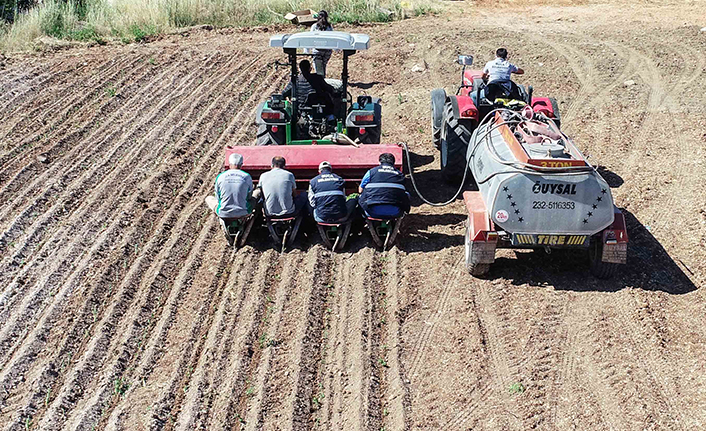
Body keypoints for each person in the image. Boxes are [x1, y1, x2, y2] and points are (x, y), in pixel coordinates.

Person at [205, 153, 255, 237]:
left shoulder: (220, 177)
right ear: (241, 165)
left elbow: (218, 197)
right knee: (255, 198)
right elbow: (249, 196)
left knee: (209, 198)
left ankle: (221, 219)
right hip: (243, 212)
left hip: (223, 212)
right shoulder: (247, 176)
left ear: (229, 164)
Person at [358, 153, 410, 218]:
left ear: (380, 162)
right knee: (407, 194)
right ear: (393, 163)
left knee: (361, 197)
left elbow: (360, 190)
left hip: (372, 212)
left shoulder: (371, 172)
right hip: (395, 212)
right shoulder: (400, 174)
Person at [310, 10, 333, 76]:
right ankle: (323, 81)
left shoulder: (315, 26)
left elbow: (310, 38)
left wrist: (306, 50)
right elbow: (332, 38)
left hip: (317, 50)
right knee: (323, 67)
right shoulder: (329, 26)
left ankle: (321, 83)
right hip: (327, 51)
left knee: (318, 70)